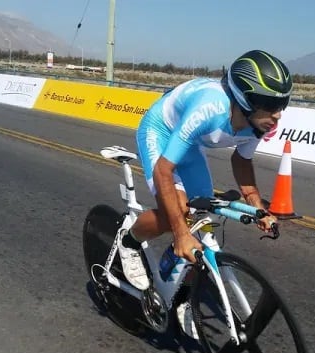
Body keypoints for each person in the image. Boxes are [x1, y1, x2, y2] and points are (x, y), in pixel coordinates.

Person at [117, 49, 293, 290]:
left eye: (283, 104)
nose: (278, 115)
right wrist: (179, 233)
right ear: (246, 99)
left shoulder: (260, 125)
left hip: (188, 143)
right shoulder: (209, 109)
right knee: (177, 212)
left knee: (202, 212)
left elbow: (241, 161)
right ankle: (129, 241)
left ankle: (184, 294)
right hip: (160, 131)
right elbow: (162, 171)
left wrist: (258, 209)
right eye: (272, 105)